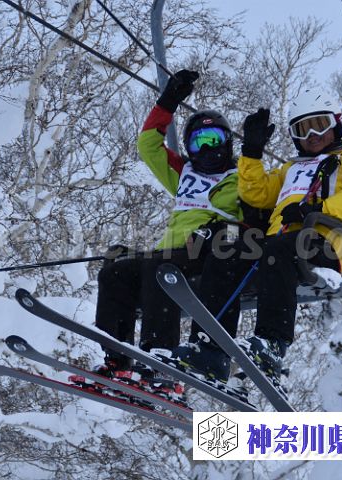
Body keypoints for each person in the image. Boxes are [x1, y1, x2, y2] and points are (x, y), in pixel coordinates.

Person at [173, 90, 342, 386]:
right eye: (303, 129)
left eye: (320, 124)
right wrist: (252, 153)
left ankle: (272, 342)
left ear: (336, 123)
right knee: (226, 249)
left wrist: (319, 209)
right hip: (281, 245)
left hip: (325, 241)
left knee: (277, 248)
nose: (312, 135)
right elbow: (257, 194)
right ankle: (210, 349)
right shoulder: (292, 168)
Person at [93, 69, 243, 389]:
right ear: (189, 147)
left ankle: (160, 359)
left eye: (214, 139)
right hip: (171, 255)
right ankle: (117, 358)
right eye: (199, 142)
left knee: (160, 267)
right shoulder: (184, 174)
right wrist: (168, 101)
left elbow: (259, 214)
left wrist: (222, 229)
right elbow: (149, 145)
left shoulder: (243, 179)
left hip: (210, 254)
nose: (208, 148)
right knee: (115, 273)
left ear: (228, 142)